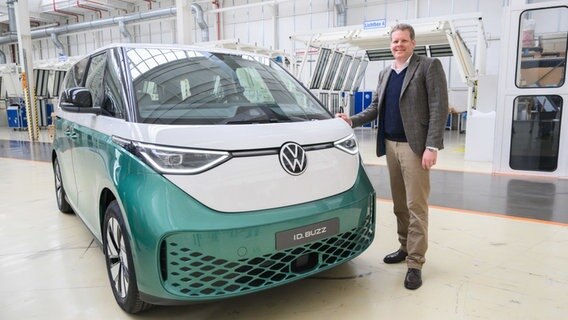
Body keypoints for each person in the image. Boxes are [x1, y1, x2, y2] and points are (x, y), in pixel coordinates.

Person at [336, 23, 448, 290]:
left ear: (413, 42)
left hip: (414, 147)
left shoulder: (427, 67)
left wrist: (432, 146)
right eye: (395, 41)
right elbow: (376, 107)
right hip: (390, 145)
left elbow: (438, 107)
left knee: (416, 207)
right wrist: (351, 119)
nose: (398, 45)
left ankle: (415, 263)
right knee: (399, 204)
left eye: (403, 41)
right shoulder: (386, 72)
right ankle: (404, 247)